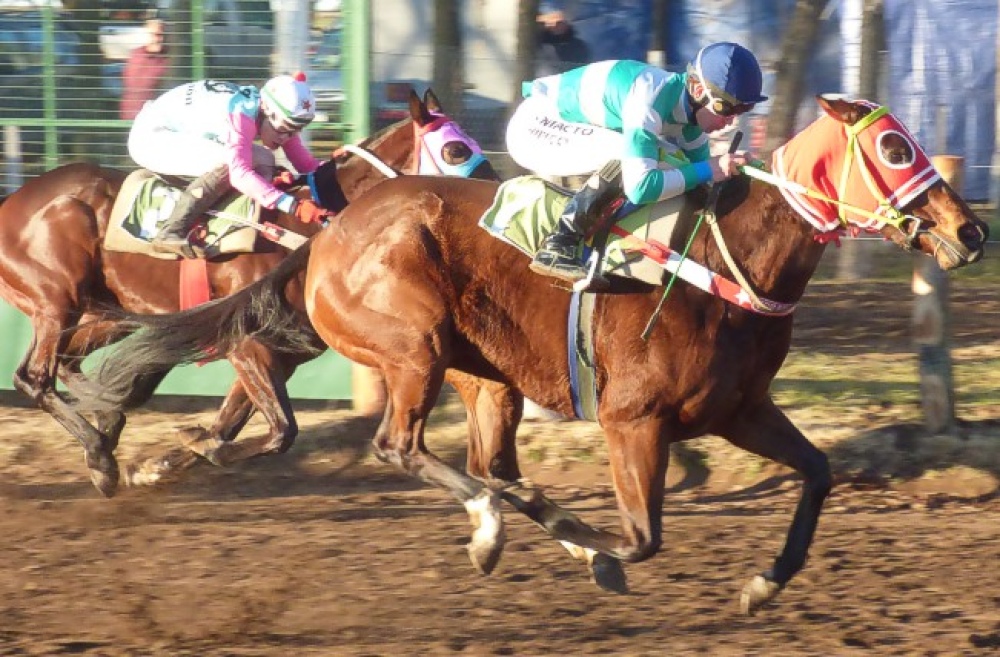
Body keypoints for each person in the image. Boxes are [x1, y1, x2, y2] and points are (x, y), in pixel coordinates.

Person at [513, 41, 766, 288]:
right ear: (698, 91)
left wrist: (738, 170)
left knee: (673, 162)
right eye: (726, 108)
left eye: (742, 110)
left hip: (572, 124)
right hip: (535, 125)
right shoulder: (649, 100)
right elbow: (640, 187)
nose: (732, 121)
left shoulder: (689, 121)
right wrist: (708, 168)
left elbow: (704, 183)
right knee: (631, 156)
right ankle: (558, 243)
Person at [127, 73, 343, 258]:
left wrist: (340, 165)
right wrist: (293, 206)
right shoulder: (241, 114)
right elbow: (239, 173)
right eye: (285, 129)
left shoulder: (265, 109)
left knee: (265, 159)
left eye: (296, 130)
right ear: (268, 111)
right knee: (237, 164)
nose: (288, 137)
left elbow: (305, 163)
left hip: (171, 129)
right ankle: (171, 231)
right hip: (151, 138)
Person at [119, 18, 169, 121]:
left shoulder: (167, 59)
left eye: (161, 35)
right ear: (146, 35)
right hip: (132, 117)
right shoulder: (136, 55)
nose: (159, 39)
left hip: (152, 117)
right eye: (154, 35)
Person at [535, 2, 591, 77]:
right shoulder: (532, 46)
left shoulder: (579, 48)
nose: (554, 25)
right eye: (548, 22)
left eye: (559, 22)